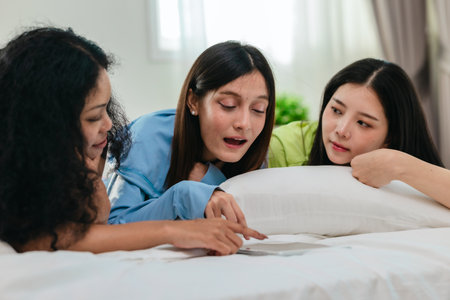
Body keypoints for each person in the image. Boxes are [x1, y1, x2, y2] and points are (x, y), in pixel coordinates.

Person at [0, 27, 266, 254]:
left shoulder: (82, 157)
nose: (111, 125)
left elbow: (91, 222)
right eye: (94, 116)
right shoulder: (144, 139)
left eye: (258, 110)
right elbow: (49, 235)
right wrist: (173, 223)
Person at [106, 41, 276, 225]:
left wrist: (209, 179)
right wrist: (182, 196)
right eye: (229, 105)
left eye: (258, 109)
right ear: (193, 101)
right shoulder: (145, 137)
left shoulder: (255, 149)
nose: (244, 124)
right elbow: (114, 225)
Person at [269, 58, 448, 206]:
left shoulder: (401, 162)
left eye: (363, 123)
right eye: (336, 110)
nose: (341, 130)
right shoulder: (287, 145)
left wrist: (397, 164)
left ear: (392, 136)